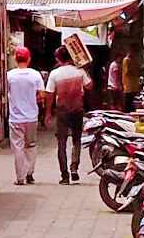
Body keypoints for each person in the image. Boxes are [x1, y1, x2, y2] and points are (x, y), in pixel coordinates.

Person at [44, 46, 92, 184]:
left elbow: (50, 94)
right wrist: (86, 69)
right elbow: (89, 86)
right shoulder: (80, 71)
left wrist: (48, 113)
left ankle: (64, 175)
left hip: (62, 112)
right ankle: (74, 167)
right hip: (77, 110)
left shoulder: (55, 74)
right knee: (77, 141)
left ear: (58, 58)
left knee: (62, 143)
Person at [6, 47, 46, 185]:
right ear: (29, 59)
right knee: (31, 145)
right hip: (32, 117)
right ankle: (30, 173)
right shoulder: (35, 75)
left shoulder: (9, 75)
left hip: (16, 118)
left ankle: (20, 177)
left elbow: (5, 93)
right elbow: (42, 95)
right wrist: (34, 100)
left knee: (18, 147)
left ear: (16, 59)